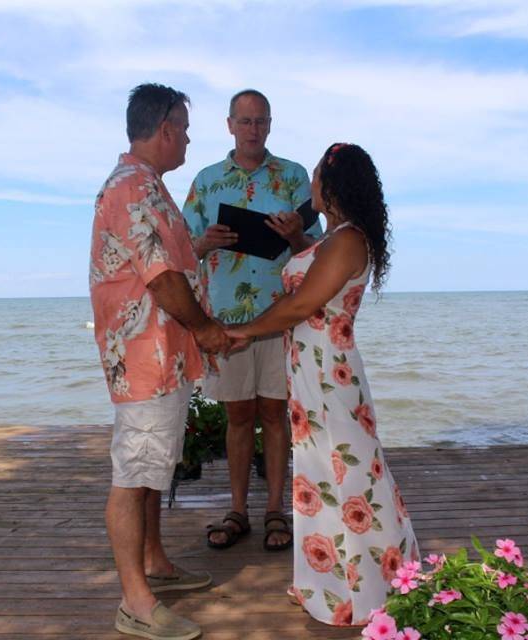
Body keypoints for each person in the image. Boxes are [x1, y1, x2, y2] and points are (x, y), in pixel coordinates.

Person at [226, 143, 420, 626]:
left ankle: (369, 586)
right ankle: (332, 582)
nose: (309, 184)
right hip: (314, 368)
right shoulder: (335, 239)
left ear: (331, 186)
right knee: (323, 473)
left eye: (314, 176)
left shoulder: (348, 239)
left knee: (350, 474)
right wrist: (296, 244)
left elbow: (300, 305)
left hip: (328, 373)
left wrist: (242, 331)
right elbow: (313, 290)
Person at [90, 83, 229, 640]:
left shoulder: (150, 187)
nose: (190, 140)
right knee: (133, 474)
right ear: (166, 128)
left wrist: (200, 252)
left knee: (152, 468)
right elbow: (162, 278)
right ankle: (135, 604)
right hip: (145, 357)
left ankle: (155, 564)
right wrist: (207, 329)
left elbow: (171, 262)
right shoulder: (132, 189)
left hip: (162, 354)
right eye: (186, 130)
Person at [182, 89, 323, 552]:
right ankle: (238, 510)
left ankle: (276, 510)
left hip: (283, 315)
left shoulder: (294, 176)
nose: (254, 129)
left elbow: (318, 252)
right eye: (245, 122)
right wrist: (206, 243)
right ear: (229, 125)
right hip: (227, 320)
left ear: (270, 124)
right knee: (238, 415)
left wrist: (295, 234)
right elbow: (181, 250)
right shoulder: (206, 181)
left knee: (275, 414)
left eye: (261, 121)